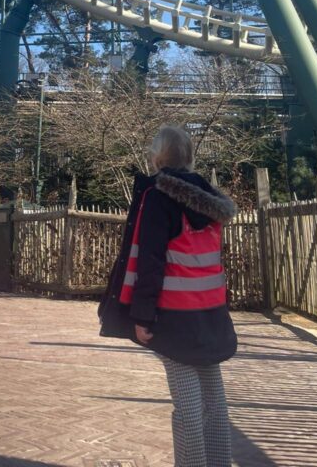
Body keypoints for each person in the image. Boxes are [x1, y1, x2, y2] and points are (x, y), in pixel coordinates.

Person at [99, 123, 237, 467]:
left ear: (157, 156)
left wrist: (142, 316)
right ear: (189, 156)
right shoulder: (212, 201)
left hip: (172, 316)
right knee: (214, 402)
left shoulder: (159, 197)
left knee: (188, 408)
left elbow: (151, 259)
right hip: (210, 312)